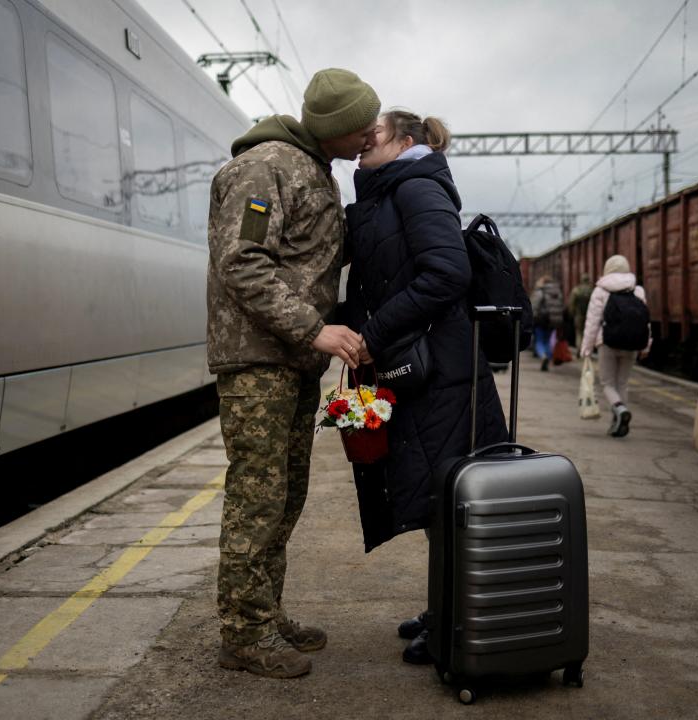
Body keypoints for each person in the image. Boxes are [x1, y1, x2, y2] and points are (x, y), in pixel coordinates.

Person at [207, 68, 380, 678]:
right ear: (333, 127)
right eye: (360, 126)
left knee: (283, 494)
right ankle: (243, 634)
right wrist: (314, 329)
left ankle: (264, 612)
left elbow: (309, 256)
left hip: (292, 361)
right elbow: (242, 262)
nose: (367, 135)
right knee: (256, 496)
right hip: (259, 359)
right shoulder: (267, 166)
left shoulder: (316, 170)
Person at [342, 110, 508, 664]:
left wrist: (372, 333)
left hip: (442, 371)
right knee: (439, 498)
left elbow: (447, 273)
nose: (366, 141)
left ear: (406, 142)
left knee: (450, 499)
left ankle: (459, 624)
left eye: (377, 134)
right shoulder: (391, 192)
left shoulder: (416, 188)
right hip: (420, 369)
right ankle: (446, 609)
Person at [580, 254, 651, 437]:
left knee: (607, 383)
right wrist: (646, 345)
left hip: (607, 343)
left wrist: (586, 347)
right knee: (622, 384)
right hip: (632, 344)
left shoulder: (601, 290)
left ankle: (620, 411)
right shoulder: (637, 290)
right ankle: (617, 420)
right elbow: (645, 321)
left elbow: (592, 322)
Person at [530, 276, 566, 371]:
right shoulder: (557, 292)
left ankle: (543, 356)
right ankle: (548, 359)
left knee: (539, 341)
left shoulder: (540, 291)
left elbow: (534, 306)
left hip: (541, 320)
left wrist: (532, 318)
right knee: (548, 341)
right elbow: (561, 306)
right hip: (553, 321)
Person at [568, 273, 594, 351]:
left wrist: (572, 314)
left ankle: (579, 348)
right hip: (589, 315)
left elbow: (571, 303)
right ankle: (587, 349)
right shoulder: (591, 290)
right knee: (588, 333)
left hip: (578, 315)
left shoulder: (576, 290)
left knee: (579, 333)